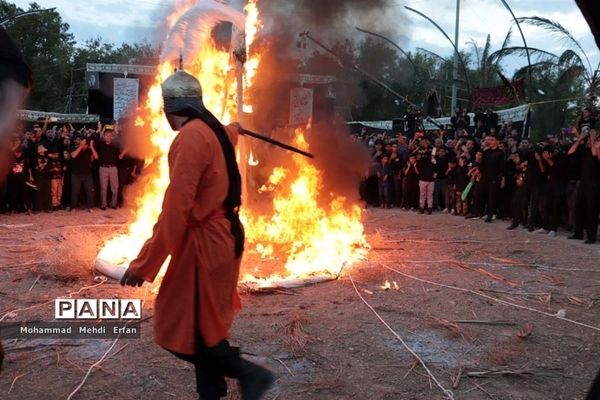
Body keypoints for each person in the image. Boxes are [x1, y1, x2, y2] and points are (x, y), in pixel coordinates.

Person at [120, 68, 274, 400]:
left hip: (207, 241)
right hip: (224, 234)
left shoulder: (189, 138)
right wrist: (235, 128)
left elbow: (176, 209)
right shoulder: (214, 129)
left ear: (168, 108)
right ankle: (212, 392)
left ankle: (250, 373)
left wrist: (145, 264)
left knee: (180, 328)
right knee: (204, 327)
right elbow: (228, 134)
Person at [476, 134, 505, 222]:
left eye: (492, 140)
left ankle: (490, 215)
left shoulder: (500, 153)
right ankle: (480, 212)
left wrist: (502, 178)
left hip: (494, 177)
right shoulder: (486, 151)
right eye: (489, 140)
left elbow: (502, 167)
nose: (490, 141)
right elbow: (482, 164)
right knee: (478, 193)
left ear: (496, 141)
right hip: (484, 176)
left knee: (491, 196)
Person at [96, 126, 121, 210]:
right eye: (106, 135)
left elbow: (119, 140)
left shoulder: (115, 145)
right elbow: (97, 138)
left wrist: (116, 129)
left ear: (112, 136)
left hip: (113, 168)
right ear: (104, 136)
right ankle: (103, 204)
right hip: (103, 168)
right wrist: (100, 129)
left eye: (110, 136)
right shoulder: (101, 144)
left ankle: (113, 204)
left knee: (115, 187)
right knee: (103, 187)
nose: (108, 137)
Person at [70, 136, 97, 211]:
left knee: (90, 191)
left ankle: (90, 207)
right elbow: (73, 155)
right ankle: (73, 207)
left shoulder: (89, 150)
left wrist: (91, 147)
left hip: (87, 174)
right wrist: (80, 146)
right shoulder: (74, 147)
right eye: (83, 143)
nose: (84, 146)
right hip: (76, 174)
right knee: (75, 191)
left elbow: (96, 157)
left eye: (86, 144)